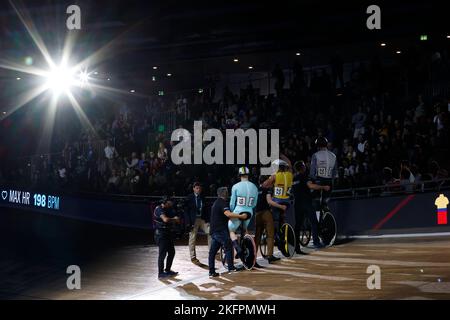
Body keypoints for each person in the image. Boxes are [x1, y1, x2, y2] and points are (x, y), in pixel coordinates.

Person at [208, 187, 247, 277]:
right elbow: (228, 214)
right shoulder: (222, 203)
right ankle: (231, 267)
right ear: (224, 194)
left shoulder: (216, 202)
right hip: (220, 231)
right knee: (229, 247)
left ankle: (211, 271)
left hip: (214, 231)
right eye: (226, 192)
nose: (227, 193)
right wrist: (241, 216)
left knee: (212, 252)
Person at [292, 161, 330, 251]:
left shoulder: (293, 179)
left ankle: (296, 246)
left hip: (297, 204)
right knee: (314, 222)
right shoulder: (305, 176)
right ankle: (316, 242)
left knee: (298, 225)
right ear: (303, 167)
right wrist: (323, 187)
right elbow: (311, 186)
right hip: (306, 203)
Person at [228, 167, 258, 260]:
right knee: (245, 230)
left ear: (239, 175)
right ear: (248, 175)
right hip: (249, 212)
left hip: (238, 211)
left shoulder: (235, 186)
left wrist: (232, 212)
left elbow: (232, 203)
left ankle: (238, 248)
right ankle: (246, 247)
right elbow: (254, 203)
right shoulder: (254, 186)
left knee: (231, 230)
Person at [262, 158, 293, 240]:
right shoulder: (290, 174)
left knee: (272, 216)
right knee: (282, 217)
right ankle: (282, 226)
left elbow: (264, 185)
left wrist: (268, 182)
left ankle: (275, 234)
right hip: (287, 201)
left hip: (277, 201)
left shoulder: (275, 175)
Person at [310, 137, 337, 226]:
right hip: (329, 182)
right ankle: (326, 212)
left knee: (316, 202)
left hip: (319, 181)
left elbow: (312, 172)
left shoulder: (315, 155)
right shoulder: (333, 156)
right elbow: (334, 173)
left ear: (318, 146)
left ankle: (317, 223)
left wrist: (312, 182)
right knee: (324, 202)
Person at [254, 176, 282, 264]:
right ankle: (270, 256)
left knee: (257, 237)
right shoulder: (267, 190)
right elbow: (269, 201)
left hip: (256, 214)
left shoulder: (255, 190)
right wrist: (281, 206)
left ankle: (253, 258)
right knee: (270, 235)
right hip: (266, 213)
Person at [153, 197, 180, 279]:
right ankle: (160, 273)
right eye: (169, 203)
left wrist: (176, 218)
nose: (171, 204)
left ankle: (167, 270)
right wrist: (174, 219)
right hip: (161, 234)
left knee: (172, 252)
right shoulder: (159, 209)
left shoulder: (169, 208)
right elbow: (165, 219)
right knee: (162, 254)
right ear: (165, 202)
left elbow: (176, 218)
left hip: (167, 233)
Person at [185, 182, 211, 265]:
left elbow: (206, 209)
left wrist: (208, 220)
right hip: (193, 220)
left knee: (210, 232)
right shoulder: (189, 197)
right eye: (196, 188)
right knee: (192, 238)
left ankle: (212, 251)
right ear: (193, 188)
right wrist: (188, 222)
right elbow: (186, 211)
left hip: (202, 219)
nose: (198, 190)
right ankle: (192, 256)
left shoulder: (203, 197)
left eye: (199, 188)